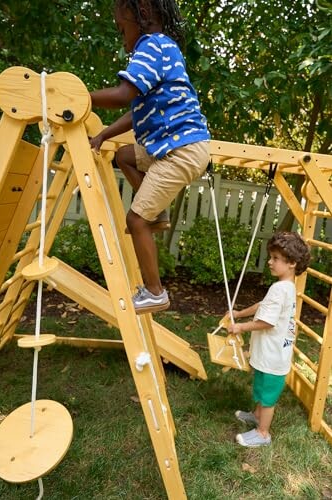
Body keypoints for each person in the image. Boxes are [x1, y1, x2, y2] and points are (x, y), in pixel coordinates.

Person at [89, 0, 210, 314]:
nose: (122, 37)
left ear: (141, 14)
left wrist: (80, 99)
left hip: (179, 152)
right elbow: (135, 111)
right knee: (126, 156)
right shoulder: (163, 49)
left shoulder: (151, 46)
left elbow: (122, 96)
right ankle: (156, 213)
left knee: (135, 220)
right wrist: (103, 135)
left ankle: (155, 292)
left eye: (121, 28)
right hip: (171, 147)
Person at [226, 231, 311, 447]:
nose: (270, 262)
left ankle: (263, 433)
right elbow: (262, 306)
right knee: (261, 388)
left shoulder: (280, 289)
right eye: (270, 257)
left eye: (275, 259)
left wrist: (241, 327)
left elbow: (268, 322)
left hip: (274, 357)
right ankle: (256, 415)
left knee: (268, 397)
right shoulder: (286, 287)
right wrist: (240, 313)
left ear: (292, 263)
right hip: (271, 354)